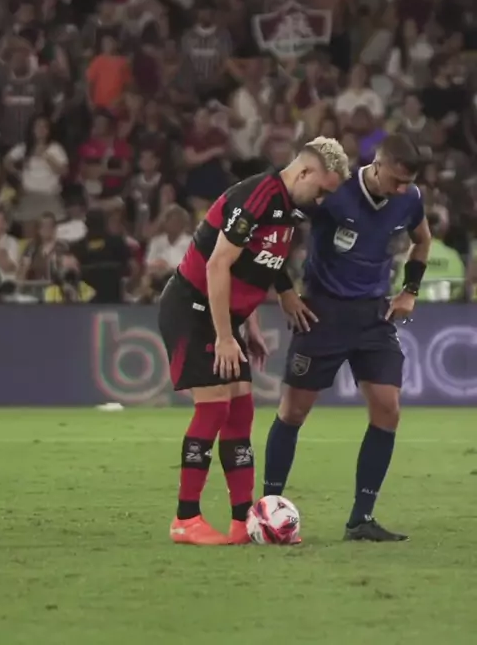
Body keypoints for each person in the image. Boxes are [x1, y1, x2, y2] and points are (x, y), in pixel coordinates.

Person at [158, 138, 350, 546]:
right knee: (214, 406)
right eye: (321, 190)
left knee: (240, 410)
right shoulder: (257, 197)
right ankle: (185, 518)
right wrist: (226, 335)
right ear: (304, 172)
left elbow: (260, 261)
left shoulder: (290, 208)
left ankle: (242, 520)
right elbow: (218, 264)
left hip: (224, 316)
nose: (321, 200)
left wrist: (260, 315)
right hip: (193, 309)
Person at [263, 134, 431, 543]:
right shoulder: (334, 191)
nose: (401, 190)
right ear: (378, 164)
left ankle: (361, 519)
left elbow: (422, 240)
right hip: (322, 312)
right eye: (396, 180)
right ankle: (268, 509)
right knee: (293, 412)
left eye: (408, 183)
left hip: (374, 315)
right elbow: (272, 233)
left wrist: (409, 290)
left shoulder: (410, 199)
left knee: (388, 409)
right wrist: (285, 292)